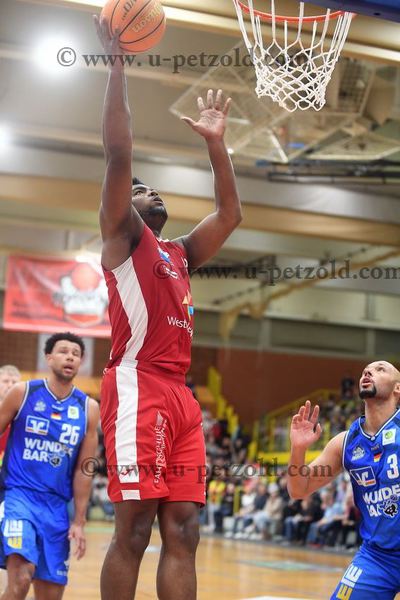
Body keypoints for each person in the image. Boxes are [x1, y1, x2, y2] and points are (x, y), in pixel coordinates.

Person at [93, 12, 242, 600]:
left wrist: (217, 146)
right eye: (139, 189)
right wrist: (117, 66)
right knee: (133, 531)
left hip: (180, 396)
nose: (148, 190)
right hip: (137, 384)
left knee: (184, 530)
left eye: (153, 188)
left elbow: (229, 214)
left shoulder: (179, 253)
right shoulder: (122, 238)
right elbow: (118, 152)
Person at [288, 360, 400, 599]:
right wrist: (298, 449)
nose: (368, 372)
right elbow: (298, 489)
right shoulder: (345, 442)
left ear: (397, 388)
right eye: (365, 370)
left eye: (380, 369)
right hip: (378, 557)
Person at [0, 332, 99, 600]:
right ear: (49, 357)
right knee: (21, 577)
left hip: (56, 509)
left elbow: (84, 468)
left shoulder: (88, 408)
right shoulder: (23, 393)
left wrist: (79, 520)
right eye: (63, 351)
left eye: (76, 354)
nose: (70, 357)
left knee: (50, 595)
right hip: (18, 498)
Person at [0, 366, 21, 469]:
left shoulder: (24, 412)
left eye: (14, 382)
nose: (10, 385)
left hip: (12, 470)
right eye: (5, 381)